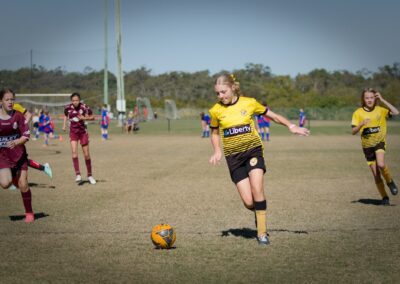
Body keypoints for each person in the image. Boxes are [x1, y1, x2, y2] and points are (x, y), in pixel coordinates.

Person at [209, 74, 310, 245]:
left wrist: (291, 126)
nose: (220, 96)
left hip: (253, 152)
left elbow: (273, 116)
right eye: (217, 93)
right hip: (233, 158)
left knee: (257, 190)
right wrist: (217, 150)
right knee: (249, 202)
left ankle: (262, 233)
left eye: (223, 92)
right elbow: (214, 132)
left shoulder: (249, 102)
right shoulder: (215, 110)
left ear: (233, 88)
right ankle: (259, 214)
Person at [351, 88, 399, 205]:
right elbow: (353, 131)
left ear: (375, 98)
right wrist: (361, 124)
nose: (369, 100)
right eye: (367, 98)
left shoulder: (380, 110)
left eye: (372, 97)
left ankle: (390, 181)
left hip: (379, 143)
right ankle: (385, 198)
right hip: (367, 147)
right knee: (376, 175)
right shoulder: (358, 113)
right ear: (363, 99)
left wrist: (382, 99)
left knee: (381, 164)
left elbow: (396, 112)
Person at [0, 89, 35, 222]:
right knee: (5, 184)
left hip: (18, 155)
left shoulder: (18, 116)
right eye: (7, 99)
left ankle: (29, 212)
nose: (10, 102)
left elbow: (26, 135)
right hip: (2, 157)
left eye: (12, 99)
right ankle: (12, 177)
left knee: (23, 184)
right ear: (1, 101)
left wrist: (16, 142)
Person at [11, 103, 53, 180]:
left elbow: (29, 115)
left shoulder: (15, 106)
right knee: (15, 160)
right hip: (6, 139)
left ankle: (14, 181)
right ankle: (43, 168)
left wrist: (22, 128)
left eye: (11, 99)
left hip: (16, 138)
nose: (9, 101)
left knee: (18, 160)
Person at [63, 92, 96, 185]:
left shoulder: (84, 107)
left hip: (83, 133)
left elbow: (93, 117)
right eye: (73, 100)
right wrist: (64, 125)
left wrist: (85, 118)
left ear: (79, 100)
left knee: (86, 154)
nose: (75, 102)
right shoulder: (68, 108)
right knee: (74, 152)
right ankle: (78, 174)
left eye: (77, 100)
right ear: (71, 101)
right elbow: (66, 115)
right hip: (73, 133)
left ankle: (90, 175)